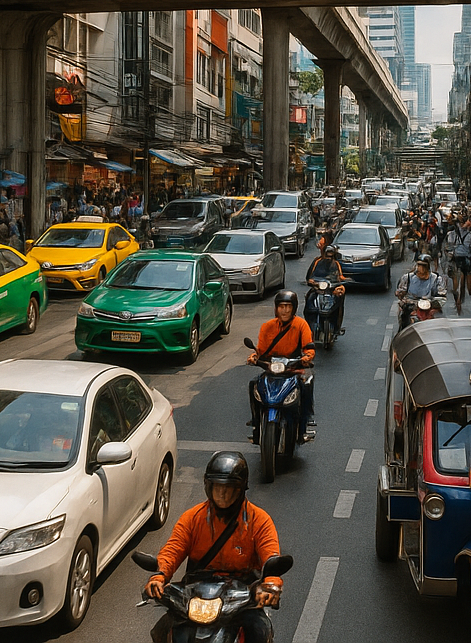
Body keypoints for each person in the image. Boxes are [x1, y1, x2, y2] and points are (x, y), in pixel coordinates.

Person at [144, 451, 284, 643]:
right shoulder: (192, 518)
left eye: (229, 488)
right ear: (208, 487)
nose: (222, 494)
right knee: (161, 631)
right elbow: (172, 549)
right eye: (217, 487)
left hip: (241, 595)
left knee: (260, 630)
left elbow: (271, 556)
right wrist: (159, 576)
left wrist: (271, 585)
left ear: (241, 489)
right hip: (196, 594)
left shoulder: (259, 521)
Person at [247, 290, 316, 445]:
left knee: (306, 386)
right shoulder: (267, 327)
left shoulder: (301, 325)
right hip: (272, 369)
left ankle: (303, 427)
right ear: (276, 308)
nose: (285, 310)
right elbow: (261, 350)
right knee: (254, 385)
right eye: (281, 306)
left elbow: (309, 348)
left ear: (294, 308)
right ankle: (256, 425)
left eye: (288, 306)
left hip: (293, 370)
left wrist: (306, 358)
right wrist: (254, 357)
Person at [304, 244, 347, 334]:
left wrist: (344, 281)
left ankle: (336, 327)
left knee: (339, 298)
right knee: (309, 300)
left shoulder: (336, 264)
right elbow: (309, 276)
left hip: (331, 289)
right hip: (317, 288)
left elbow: (340, 277)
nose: (329, 257)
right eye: (327, 254)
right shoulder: (317, 261)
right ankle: (308, 327)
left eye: (331, 254)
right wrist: (312, 282)